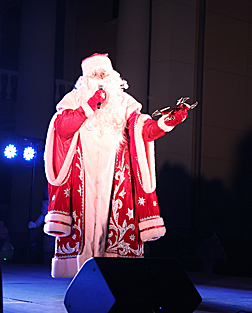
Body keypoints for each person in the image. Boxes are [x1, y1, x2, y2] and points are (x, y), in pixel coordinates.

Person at [43, 53, 190, 278]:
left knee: (111, 229)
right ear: (85, 79)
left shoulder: (124, 103)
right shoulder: (74, 99)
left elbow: (145, 130)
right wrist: (88, 107)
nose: (100, 79)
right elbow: (62, 128)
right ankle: (83, 279)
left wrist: (165, 122)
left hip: (116, 177)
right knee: (85, 228)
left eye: (104, 73)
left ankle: (110, 278)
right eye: (94, 74)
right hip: (83, 176)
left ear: (113, 76)